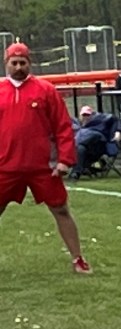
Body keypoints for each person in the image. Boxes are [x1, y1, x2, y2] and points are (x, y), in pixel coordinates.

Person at [0, 43, 91, 274]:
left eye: (23, 63)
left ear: (29, 63)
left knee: (61, 209)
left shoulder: (46, 90)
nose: (18, 67)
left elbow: (62, 126)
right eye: (14, 63)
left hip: (42, 166)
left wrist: (64, 160)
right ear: (6, 63)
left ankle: (78, 259)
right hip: (5, 165)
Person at [70, 105, 121, 180]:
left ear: (92, 115)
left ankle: (78, 165)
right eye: (84, 115)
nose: (86, 117)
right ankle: (76, 173)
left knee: (92, 136)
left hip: (98, 145)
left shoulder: (99, 119)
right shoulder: (77, 125)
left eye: (88, 115)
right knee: (80, 148)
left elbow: (115, 118)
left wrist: (118, 131)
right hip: (85, 149)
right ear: (80, 115)